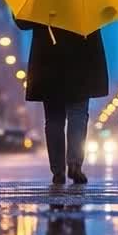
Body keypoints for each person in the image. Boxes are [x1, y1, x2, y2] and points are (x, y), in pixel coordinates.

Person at [16, 20, 109, 185]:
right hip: (81, 61)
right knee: (78, 115)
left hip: (49, 61)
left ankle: (58, 171)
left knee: (54, 119)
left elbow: (22, 23)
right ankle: (74, 164)